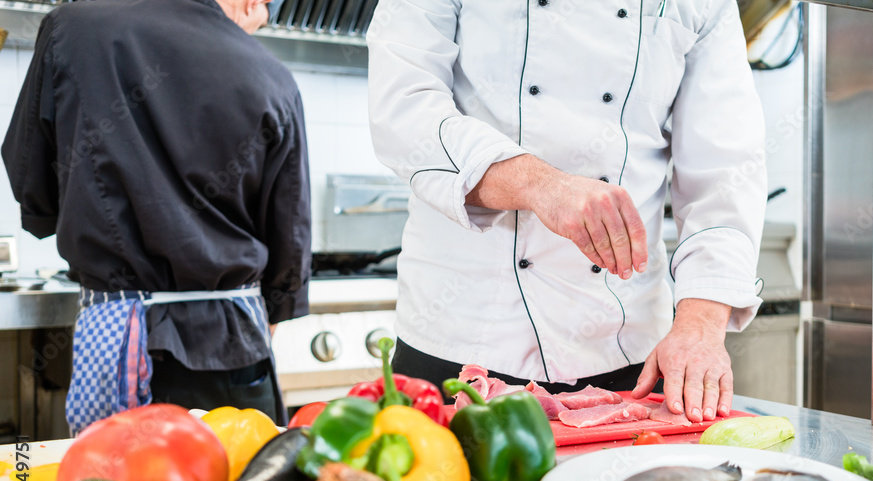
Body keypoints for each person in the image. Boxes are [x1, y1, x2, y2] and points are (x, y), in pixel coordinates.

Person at [367, 0, 767, 422]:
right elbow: (403, 110)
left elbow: (725, 171)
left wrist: (701, 324)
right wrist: (541, 186)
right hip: (461, 344)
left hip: (628, 355)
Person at [2, 0, 311, 434]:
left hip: (115, 333)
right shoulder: (274, 76)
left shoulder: (73, 25)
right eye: (262, 19)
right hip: (234, 348)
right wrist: (267, 310)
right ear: (251, 2)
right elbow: (290, 236)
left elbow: (27, 168)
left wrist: (62, 213)